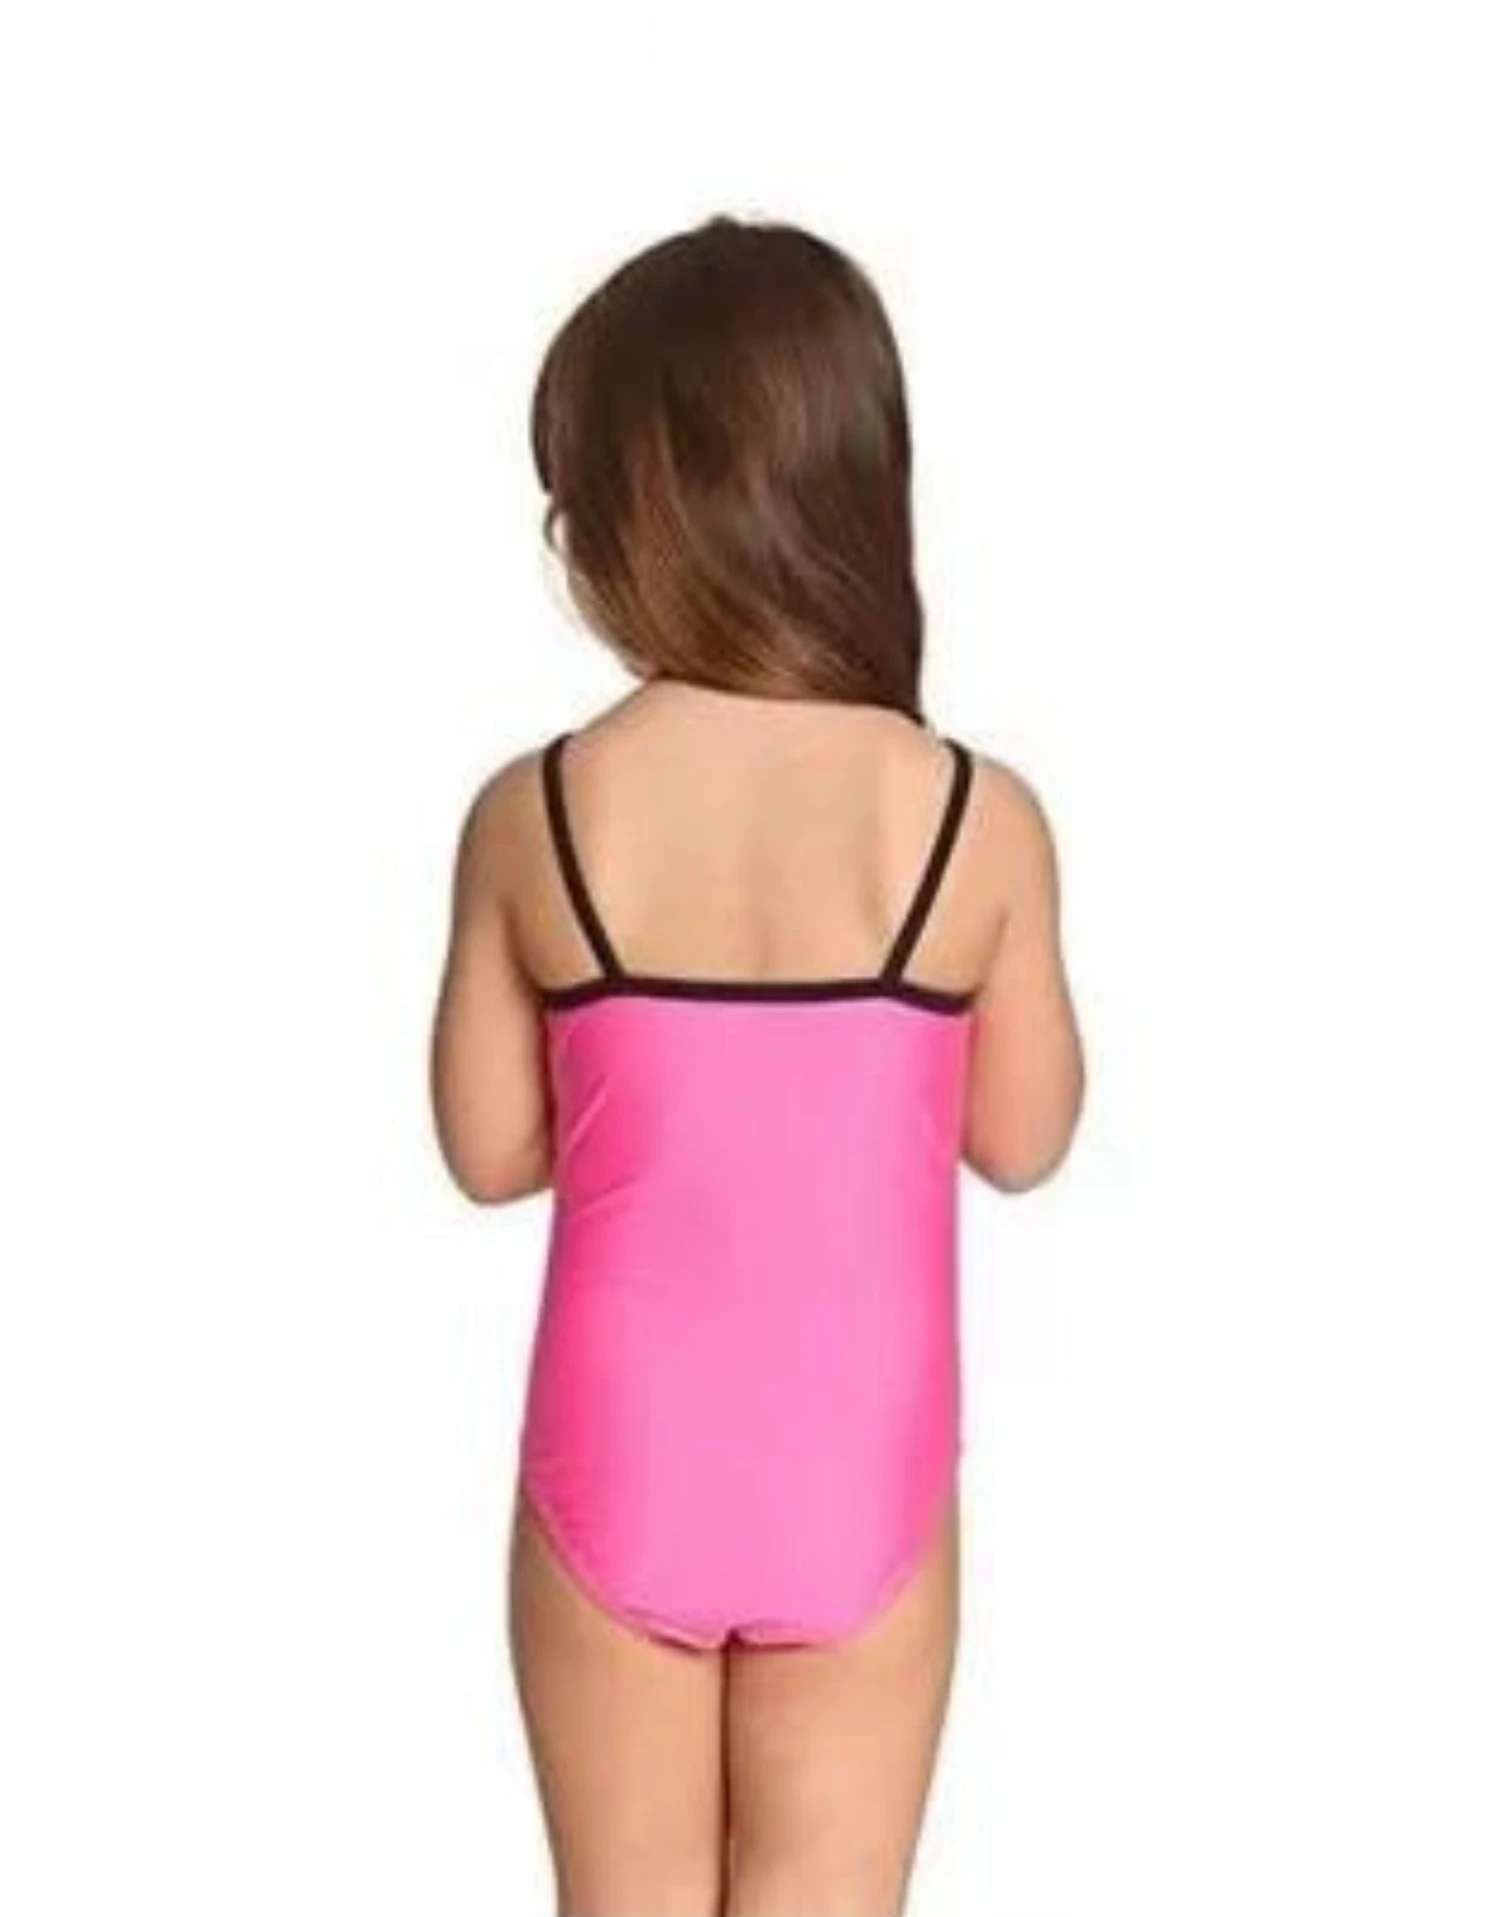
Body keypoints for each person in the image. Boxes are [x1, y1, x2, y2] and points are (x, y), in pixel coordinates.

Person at [430, 214, 1084, 1917]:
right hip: (858, 1463)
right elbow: (1025, 1136)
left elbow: (489, 1151)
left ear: (639, 513)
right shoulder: (972, 818)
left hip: (621, 1449)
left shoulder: (535, 813)